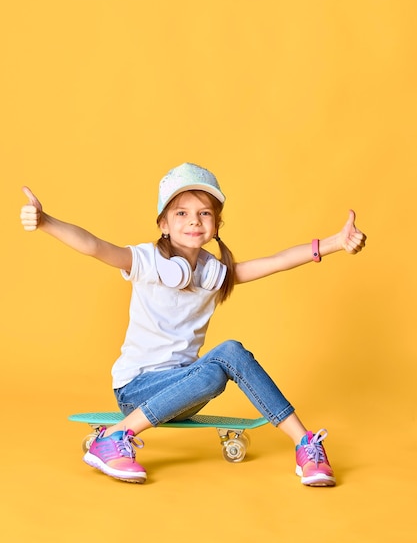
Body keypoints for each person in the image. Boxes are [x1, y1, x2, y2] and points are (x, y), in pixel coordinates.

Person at [20, 162, 366, 486]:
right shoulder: (146, 261)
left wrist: (335, 243)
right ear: (164, 224)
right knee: (226, 354)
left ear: (216, 224)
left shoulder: (213, 274)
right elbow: (94, 246)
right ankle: (114, 437)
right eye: (181, 213)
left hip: (188, 390)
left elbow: (276, 261)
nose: (194, 221)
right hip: (136, 390)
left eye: (204, 213)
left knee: (219, 367)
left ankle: (306, 447)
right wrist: (46, 220)